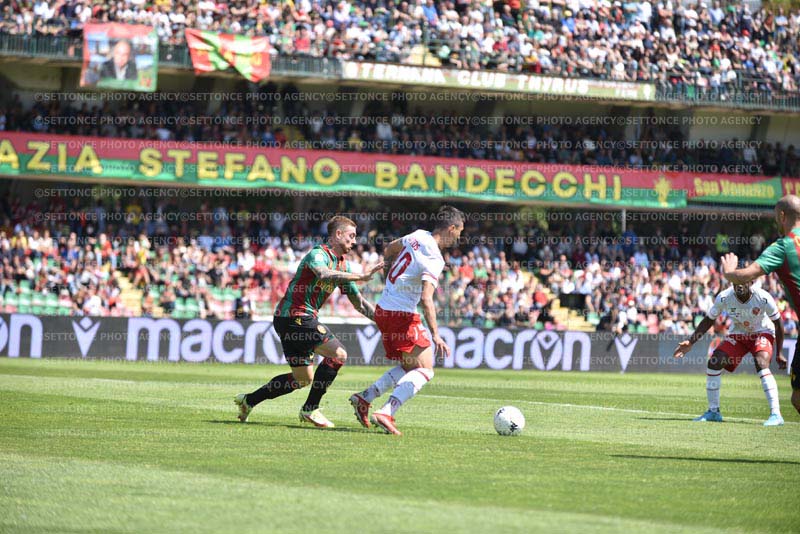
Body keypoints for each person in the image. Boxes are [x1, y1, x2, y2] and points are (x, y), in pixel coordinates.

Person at [234, 215, 383, 427]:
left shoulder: (343, 266)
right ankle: (310, 409)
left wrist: (384, 322)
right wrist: (360, 276)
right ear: (338, 234)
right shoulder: (318, 254)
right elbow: (323, 274)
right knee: (338, 354)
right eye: (351, 236)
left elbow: (358, 302)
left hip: (291, 319)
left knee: (302, 379)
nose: (354, 241)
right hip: (295, 316)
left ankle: (249, 400)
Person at [349, 205, 465, 435]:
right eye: (460, 232)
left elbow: (389, 249)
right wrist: (436, 335)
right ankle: (386, 412)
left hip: (383, 309)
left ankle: (365, 397)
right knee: (426, 370)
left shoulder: (418, 235)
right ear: (451, 228)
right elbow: (426, 298)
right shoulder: (435, 258)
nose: (459, 237)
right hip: (401, 315)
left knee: (410, 366)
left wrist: (389, 281)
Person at [720, 194, 800, 415]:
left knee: (798, 397)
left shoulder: (783, 246)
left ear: (782, 216)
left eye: (775, 218)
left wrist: (729, 272)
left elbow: (746, 275)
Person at [674, 281, 786, 426]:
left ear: (751, 282)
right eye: (736, 282)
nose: (739, 285)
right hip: (738, 334)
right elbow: (709, 320)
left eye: (742, 281)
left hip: (762, 332)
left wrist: (779, 353)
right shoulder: (724, 297)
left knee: (761, 362)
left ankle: (776, 414)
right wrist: (691, 342)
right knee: (714, 361)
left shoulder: (763, 297)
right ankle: (713, 412)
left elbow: (778, 323)